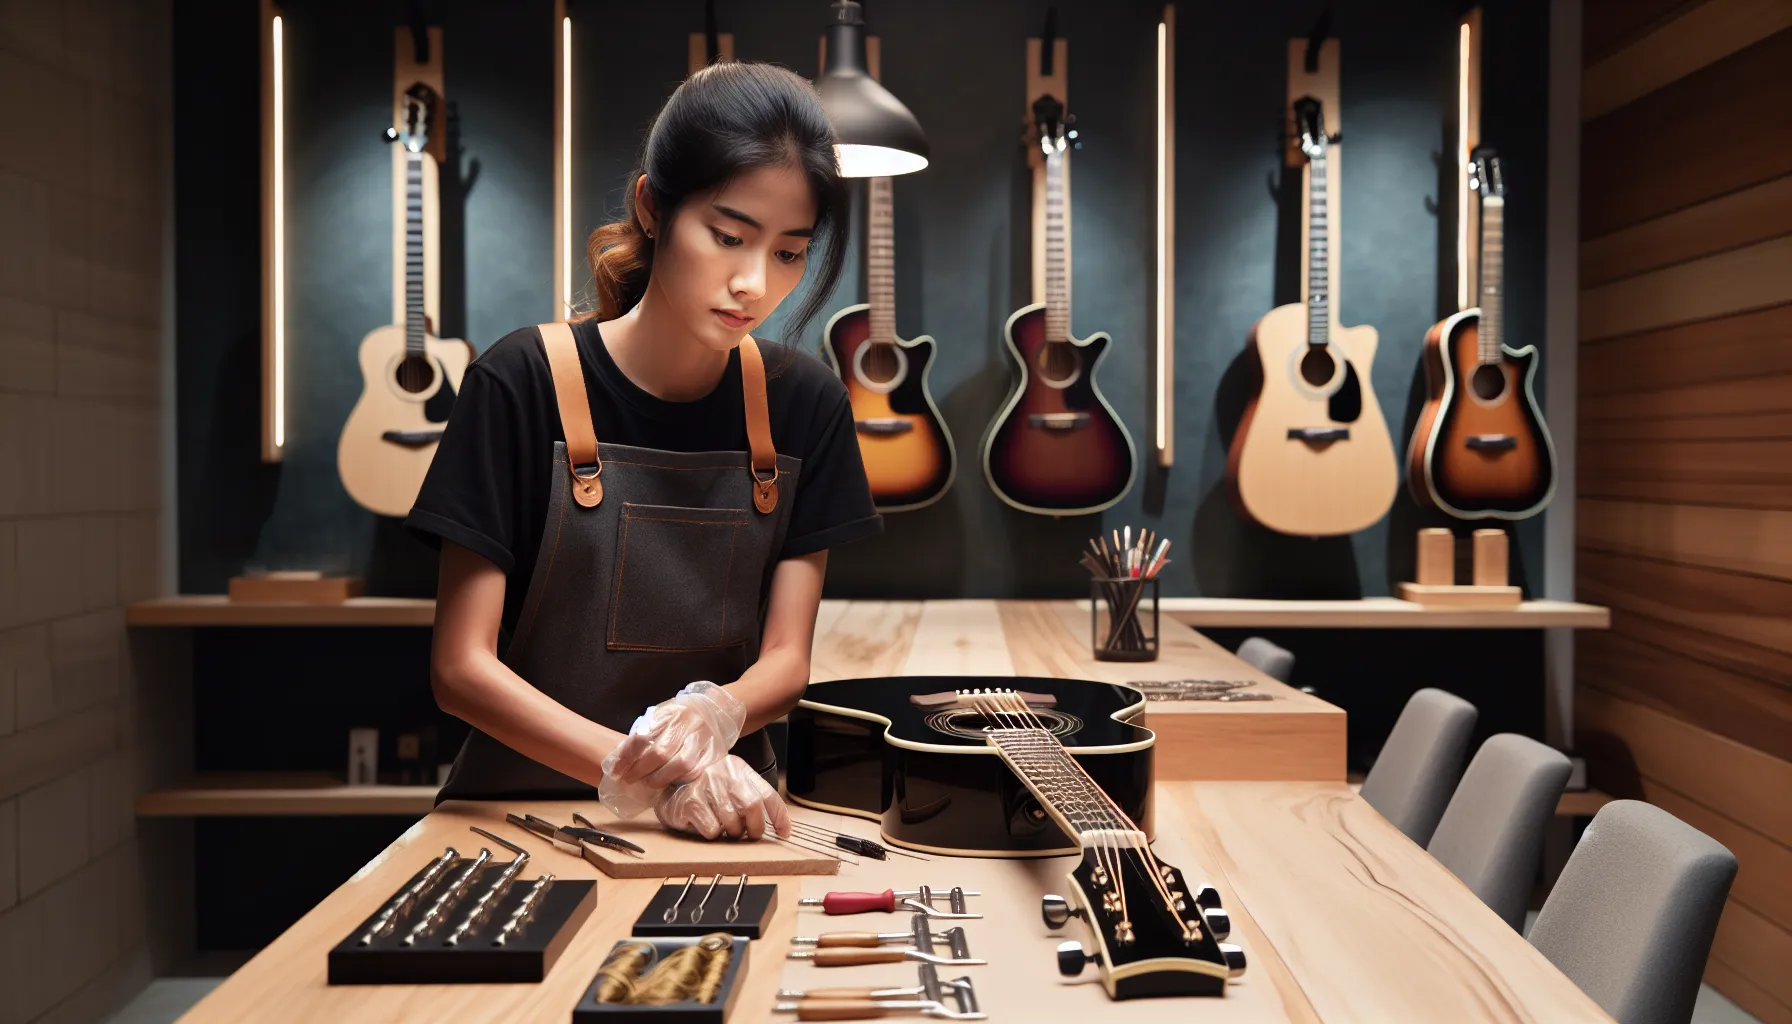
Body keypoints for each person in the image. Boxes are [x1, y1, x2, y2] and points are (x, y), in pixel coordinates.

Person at [406, 61, 881, 841]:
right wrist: (651, 770)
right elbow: (461, 669)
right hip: (518, 817)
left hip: (727, 819)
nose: (753, 284)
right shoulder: (519, 383)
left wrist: (716, 711)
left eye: (790, 253)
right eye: (727, 236)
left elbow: (786, 661)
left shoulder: (805, 405)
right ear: (653, 208)